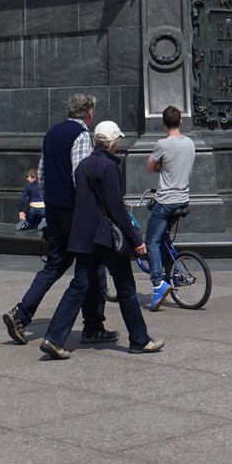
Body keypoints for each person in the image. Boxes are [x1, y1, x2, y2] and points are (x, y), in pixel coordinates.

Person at [39, 121, 163, 359]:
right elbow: (116, 209)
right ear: (113, 143)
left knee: (78, 285)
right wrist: (136, 238)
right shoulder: (108, 168)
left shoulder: (83, 166)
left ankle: (53, 338)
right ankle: (139, 339)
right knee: (126, 287)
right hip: (104, 237)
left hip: (84, 236)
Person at [3, 93, 112, 347]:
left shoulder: (51, 134)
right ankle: (93, 326)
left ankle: (20, 314)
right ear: (90, 114)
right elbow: (81, 175)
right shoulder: (82, 135)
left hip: (54, 210)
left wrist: (52, 202)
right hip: (75, 213)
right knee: (93, 265)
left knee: (54, 265)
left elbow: (41, 173)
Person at [144, 105, 196, 310]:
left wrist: (160, 166)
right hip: (183, 199)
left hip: (166, 200)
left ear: (163, 123)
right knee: (163, 236)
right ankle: (170, 271)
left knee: (151, 242)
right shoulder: (190, 143)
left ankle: (158, 283)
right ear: (181, 121)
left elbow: (149, 168)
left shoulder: (162, 145)